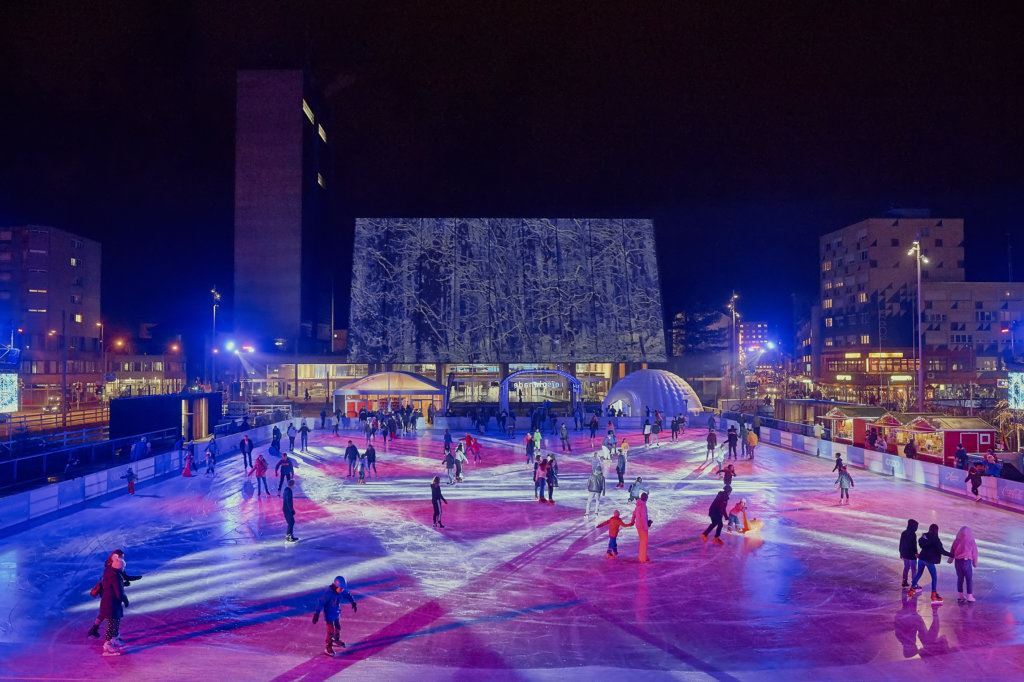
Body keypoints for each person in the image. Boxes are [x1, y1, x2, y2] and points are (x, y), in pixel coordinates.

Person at [95, 551, 131, 656]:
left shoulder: (111, 571)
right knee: (112, 624)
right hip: (110, 603)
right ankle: (107, 646)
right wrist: (125, 599)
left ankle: (114, 639)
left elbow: (114, 587)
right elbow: (119, 592)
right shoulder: (114, 575)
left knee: (115, 622)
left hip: (112, 602)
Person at [312, 576, 358, 657]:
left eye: (343, 588)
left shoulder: (341, 590)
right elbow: (321, 603)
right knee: (330, 630)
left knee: (338, 627)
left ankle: (336, 640)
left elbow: (348, 594)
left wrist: (353, 602)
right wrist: (317, 614)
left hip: (336, 612)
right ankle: (328, 647)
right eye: (340, 588)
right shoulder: (328, 594)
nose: (342, 590)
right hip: (329, 614)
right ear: (336, 586)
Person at [908, 524, 951, 603]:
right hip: (929, 560)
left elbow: (920, 542)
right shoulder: (936, 539)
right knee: (934, 577)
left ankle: (911, 590)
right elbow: (942, 551)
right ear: (936, 530)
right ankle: (934, 595)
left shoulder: (925, 535)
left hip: (921, 558)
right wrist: (951, 555)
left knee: (919, 574)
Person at [949, 526, 978, 603]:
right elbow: (975, 552)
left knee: (960, 578)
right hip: (966, 561)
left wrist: (950, 559)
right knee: (969, 579)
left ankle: (960, 595)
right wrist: (974, 563)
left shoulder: (957, 540)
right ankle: (969, 596)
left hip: (958, 562)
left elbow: (952, 550)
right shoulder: (971, 541)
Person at [630, 492, 651, 562]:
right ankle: (642, 558)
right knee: (644, 542)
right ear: (645, 498)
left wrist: (632, 521)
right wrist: (647, 525)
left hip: (639, 526)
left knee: (643, 541)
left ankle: (642, 556)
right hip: (642, 527)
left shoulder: (638, 505)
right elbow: (643, 518)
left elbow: (634, 513)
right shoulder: (643, 506)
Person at [899, 519, 920, 588]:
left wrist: (901, 553)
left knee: (906, 567)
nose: (917, 528)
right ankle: (914, 584)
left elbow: (901, 544)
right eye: (916, 526)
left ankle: (904, 581)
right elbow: (914, 545)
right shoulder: (913, 534)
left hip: (905, 554)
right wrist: (916, 554)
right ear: (913, 526)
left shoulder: (904, 533)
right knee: (913, 569)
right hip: (911, 555)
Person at [283, 478, 298, 542]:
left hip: (286, 509)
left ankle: (290, 536)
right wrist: (291, 510)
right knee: (291, 522)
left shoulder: (287, 490)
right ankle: (288, 537)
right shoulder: (288, 491)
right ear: (292, 485)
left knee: (291, 522)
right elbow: (288, 501)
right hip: (287, 509)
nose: (294, 486)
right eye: (294, 485)